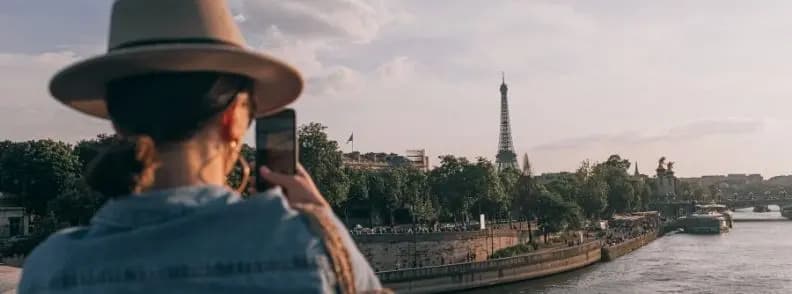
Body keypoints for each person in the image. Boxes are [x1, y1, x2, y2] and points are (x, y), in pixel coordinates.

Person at [18, 0, 383, 293]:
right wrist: (323, 219)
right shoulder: (309, 246)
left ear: (116, 121)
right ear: (234, 118)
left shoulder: (51, 267)